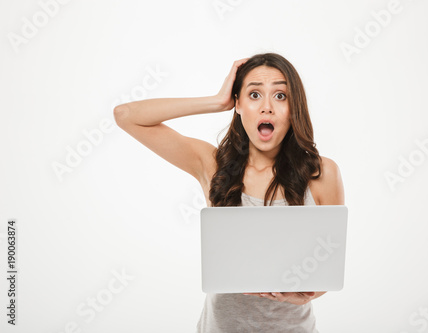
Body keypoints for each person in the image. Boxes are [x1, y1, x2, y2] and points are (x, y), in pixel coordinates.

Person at [113, 52, 345, 332]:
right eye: (254, 95)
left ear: (294, 107)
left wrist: (301, 296)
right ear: (238, 104)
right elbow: (126, 116)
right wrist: (216, 101)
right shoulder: (212, 165)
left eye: (281, 96)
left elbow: (326, 271)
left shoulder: (322, 174)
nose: (267, 107)